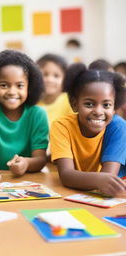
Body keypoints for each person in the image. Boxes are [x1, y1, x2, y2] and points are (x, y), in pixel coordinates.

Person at [50, 62, 126, 197]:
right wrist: (99, 180)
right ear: (74, 104)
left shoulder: (119, 127)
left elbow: (109, 179)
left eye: (106, 105)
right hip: (76, 193)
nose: (98, 111)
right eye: (89, 104)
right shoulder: (61, 127)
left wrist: (101, 180)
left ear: (114, 107)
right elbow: (66, 175)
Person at [0, 50, 49, 187]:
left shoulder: (37, 114)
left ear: (29, 87)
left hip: (24, 183)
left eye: (19, 85)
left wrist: (25, 163)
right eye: (4, 85)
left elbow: (40, 159)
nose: (12, 92)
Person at [36, 53, 73, 126]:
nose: (50, 80)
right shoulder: (32, 102)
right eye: (45, 74)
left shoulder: (70, 101)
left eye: (56, 76)